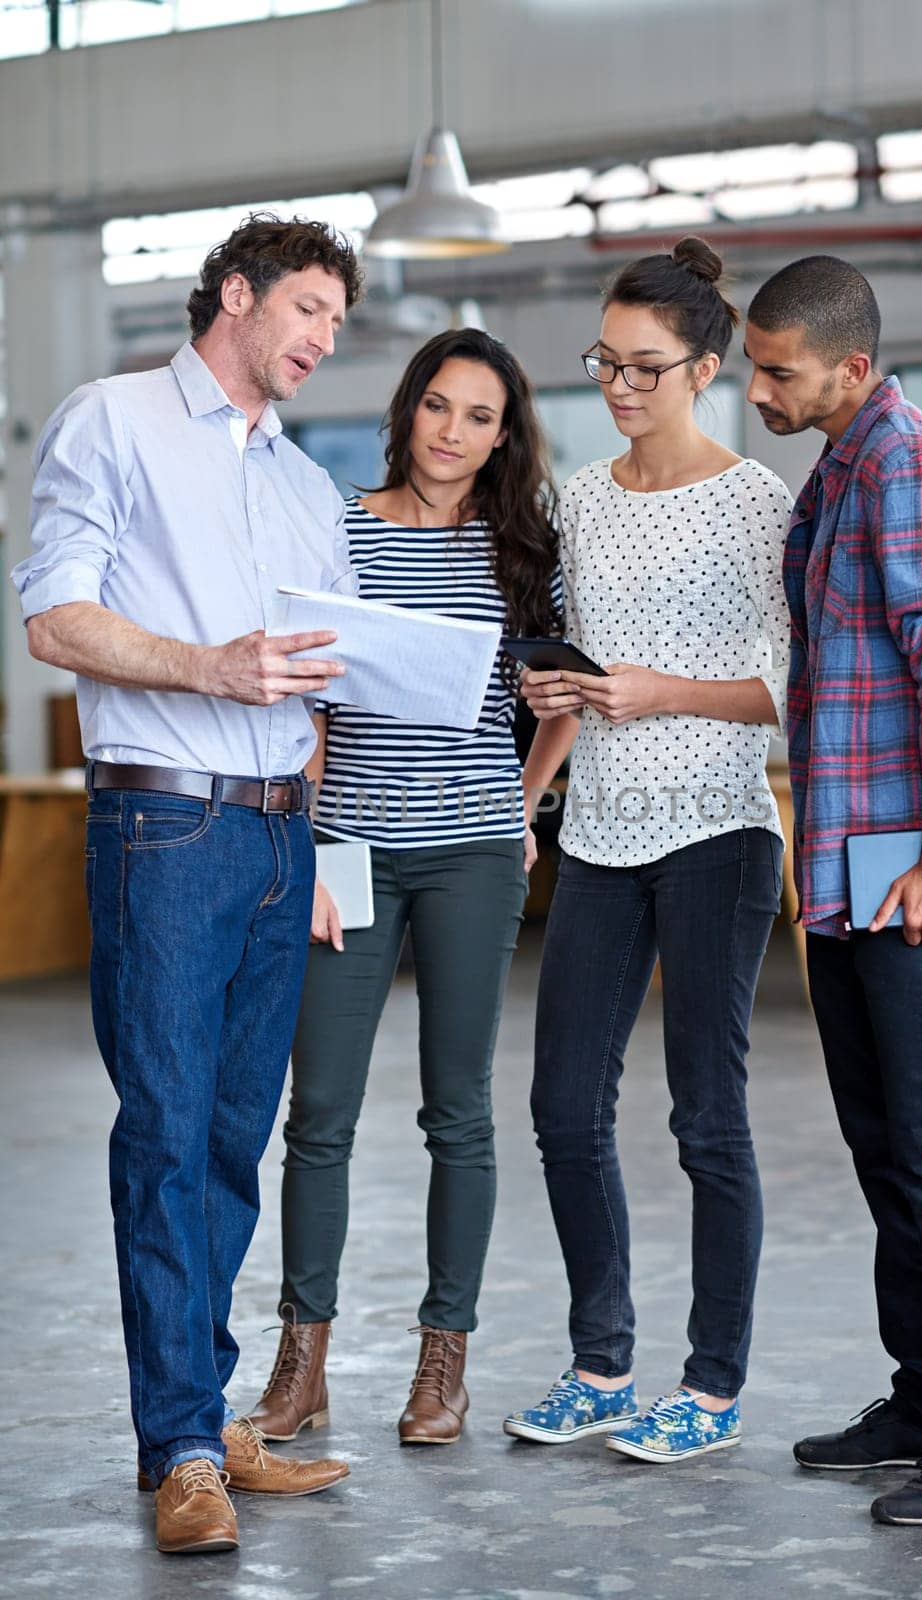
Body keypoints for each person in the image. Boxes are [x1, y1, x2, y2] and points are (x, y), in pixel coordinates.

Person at [11, 214, 362, 1556]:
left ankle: (210, 1425)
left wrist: (327, 849)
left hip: (280, 840)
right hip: (164, 829)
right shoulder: (111, 420)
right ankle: (179, 1451)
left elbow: (324, 684)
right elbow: (55, 616)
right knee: (162, 1137)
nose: (323, 339)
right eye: (309, 308)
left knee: (227, 1144)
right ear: (236, 294)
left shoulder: (305, 488)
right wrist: (209, 667)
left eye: (336, 319)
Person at [744, 254, 922, 1525]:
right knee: (886, 1148)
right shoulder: (844, 464)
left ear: (849, 367)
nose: (758, 388)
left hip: (913, 872)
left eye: (777, 370)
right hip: (853, 873)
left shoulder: (903, 462)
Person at [503, 238, 791, 1463]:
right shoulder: (576, 498)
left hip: (720, 833)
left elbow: (788, 687)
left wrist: (661, 689)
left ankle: (712, 1387)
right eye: (603, 363)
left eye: (642, 366)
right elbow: (573, 685)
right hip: (601, 837)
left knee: (704, 1118)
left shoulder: (758, 503)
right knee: (563, 1106)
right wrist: (524, 797)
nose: (618, 386)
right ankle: (600, 1364)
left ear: (705, 370)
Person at [248, 328, 560, 1448]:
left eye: (480, 417)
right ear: (407, 409)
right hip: (352, 851)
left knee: (458, 1112)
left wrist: (520, 803)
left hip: (473, 852)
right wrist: (316, 844)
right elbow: (309, 703)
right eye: (438, 406)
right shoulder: (339, 527)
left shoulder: (521, 548)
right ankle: (304, 1359)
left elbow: (561, 691)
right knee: (319, 1111)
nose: (453, 432)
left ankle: (443, 1363)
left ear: (502, 435)